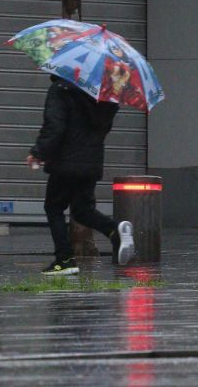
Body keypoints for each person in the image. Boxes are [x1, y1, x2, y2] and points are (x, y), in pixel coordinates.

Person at [27, 75, 136, 275]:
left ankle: (64, 260)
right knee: (82, 210)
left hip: (66, 161)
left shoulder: (61, 88)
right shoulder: (105, 93)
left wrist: (38, 152)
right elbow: (104, 127)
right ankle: (115, 231)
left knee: (53, 207)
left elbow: (54, 126)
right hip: (91, 161)